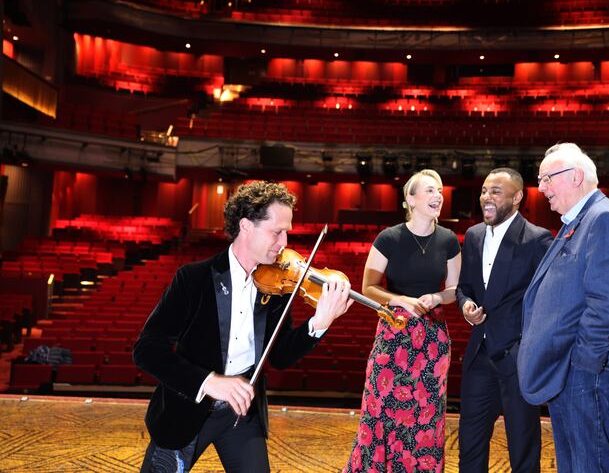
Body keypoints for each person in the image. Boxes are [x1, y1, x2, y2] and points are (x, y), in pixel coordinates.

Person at [134, 181, 353, 472]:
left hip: (241, 414)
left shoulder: (275, 287)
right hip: (187, 408)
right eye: (277, 231)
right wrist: (208, 381)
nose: (285, 242)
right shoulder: (194, 279)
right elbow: (146, 350)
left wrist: (319, 323)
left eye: (287, 231)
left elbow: (280, 356)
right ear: (246, 226)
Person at [518, 143, 609, 473]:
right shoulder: (577, 221)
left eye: (547, 178)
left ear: (575, 176)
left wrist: (582, 365)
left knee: (592, 466)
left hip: (590, 375)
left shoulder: (604, 220)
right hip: (574, 374)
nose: (541, 187)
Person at [343, 169, 461, 472]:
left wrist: (437, 298)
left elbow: (454, 291)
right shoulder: (390, 237)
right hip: (393, 335)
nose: (438, 196)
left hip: (432, 340)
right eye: (430, 191)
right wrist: (400, 300)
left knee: (425, 415)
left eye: (440, 191)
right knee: (380, 409)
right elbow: (368, 287)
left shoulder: (448, 240)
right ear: (410, 199)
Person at [456, 167, 553, 473]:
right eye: (484, 190)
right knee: (469, 443)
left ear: (517, 197)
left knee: (523, 447)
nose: (487, 197)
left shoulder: (538, 239)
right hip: (479, 357)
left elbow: (547, 301)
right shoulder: (472, 236)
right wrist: (466, 305)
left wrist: (528, 347)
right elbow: (464, 287)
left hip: (517, 360)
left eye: (496, 191)